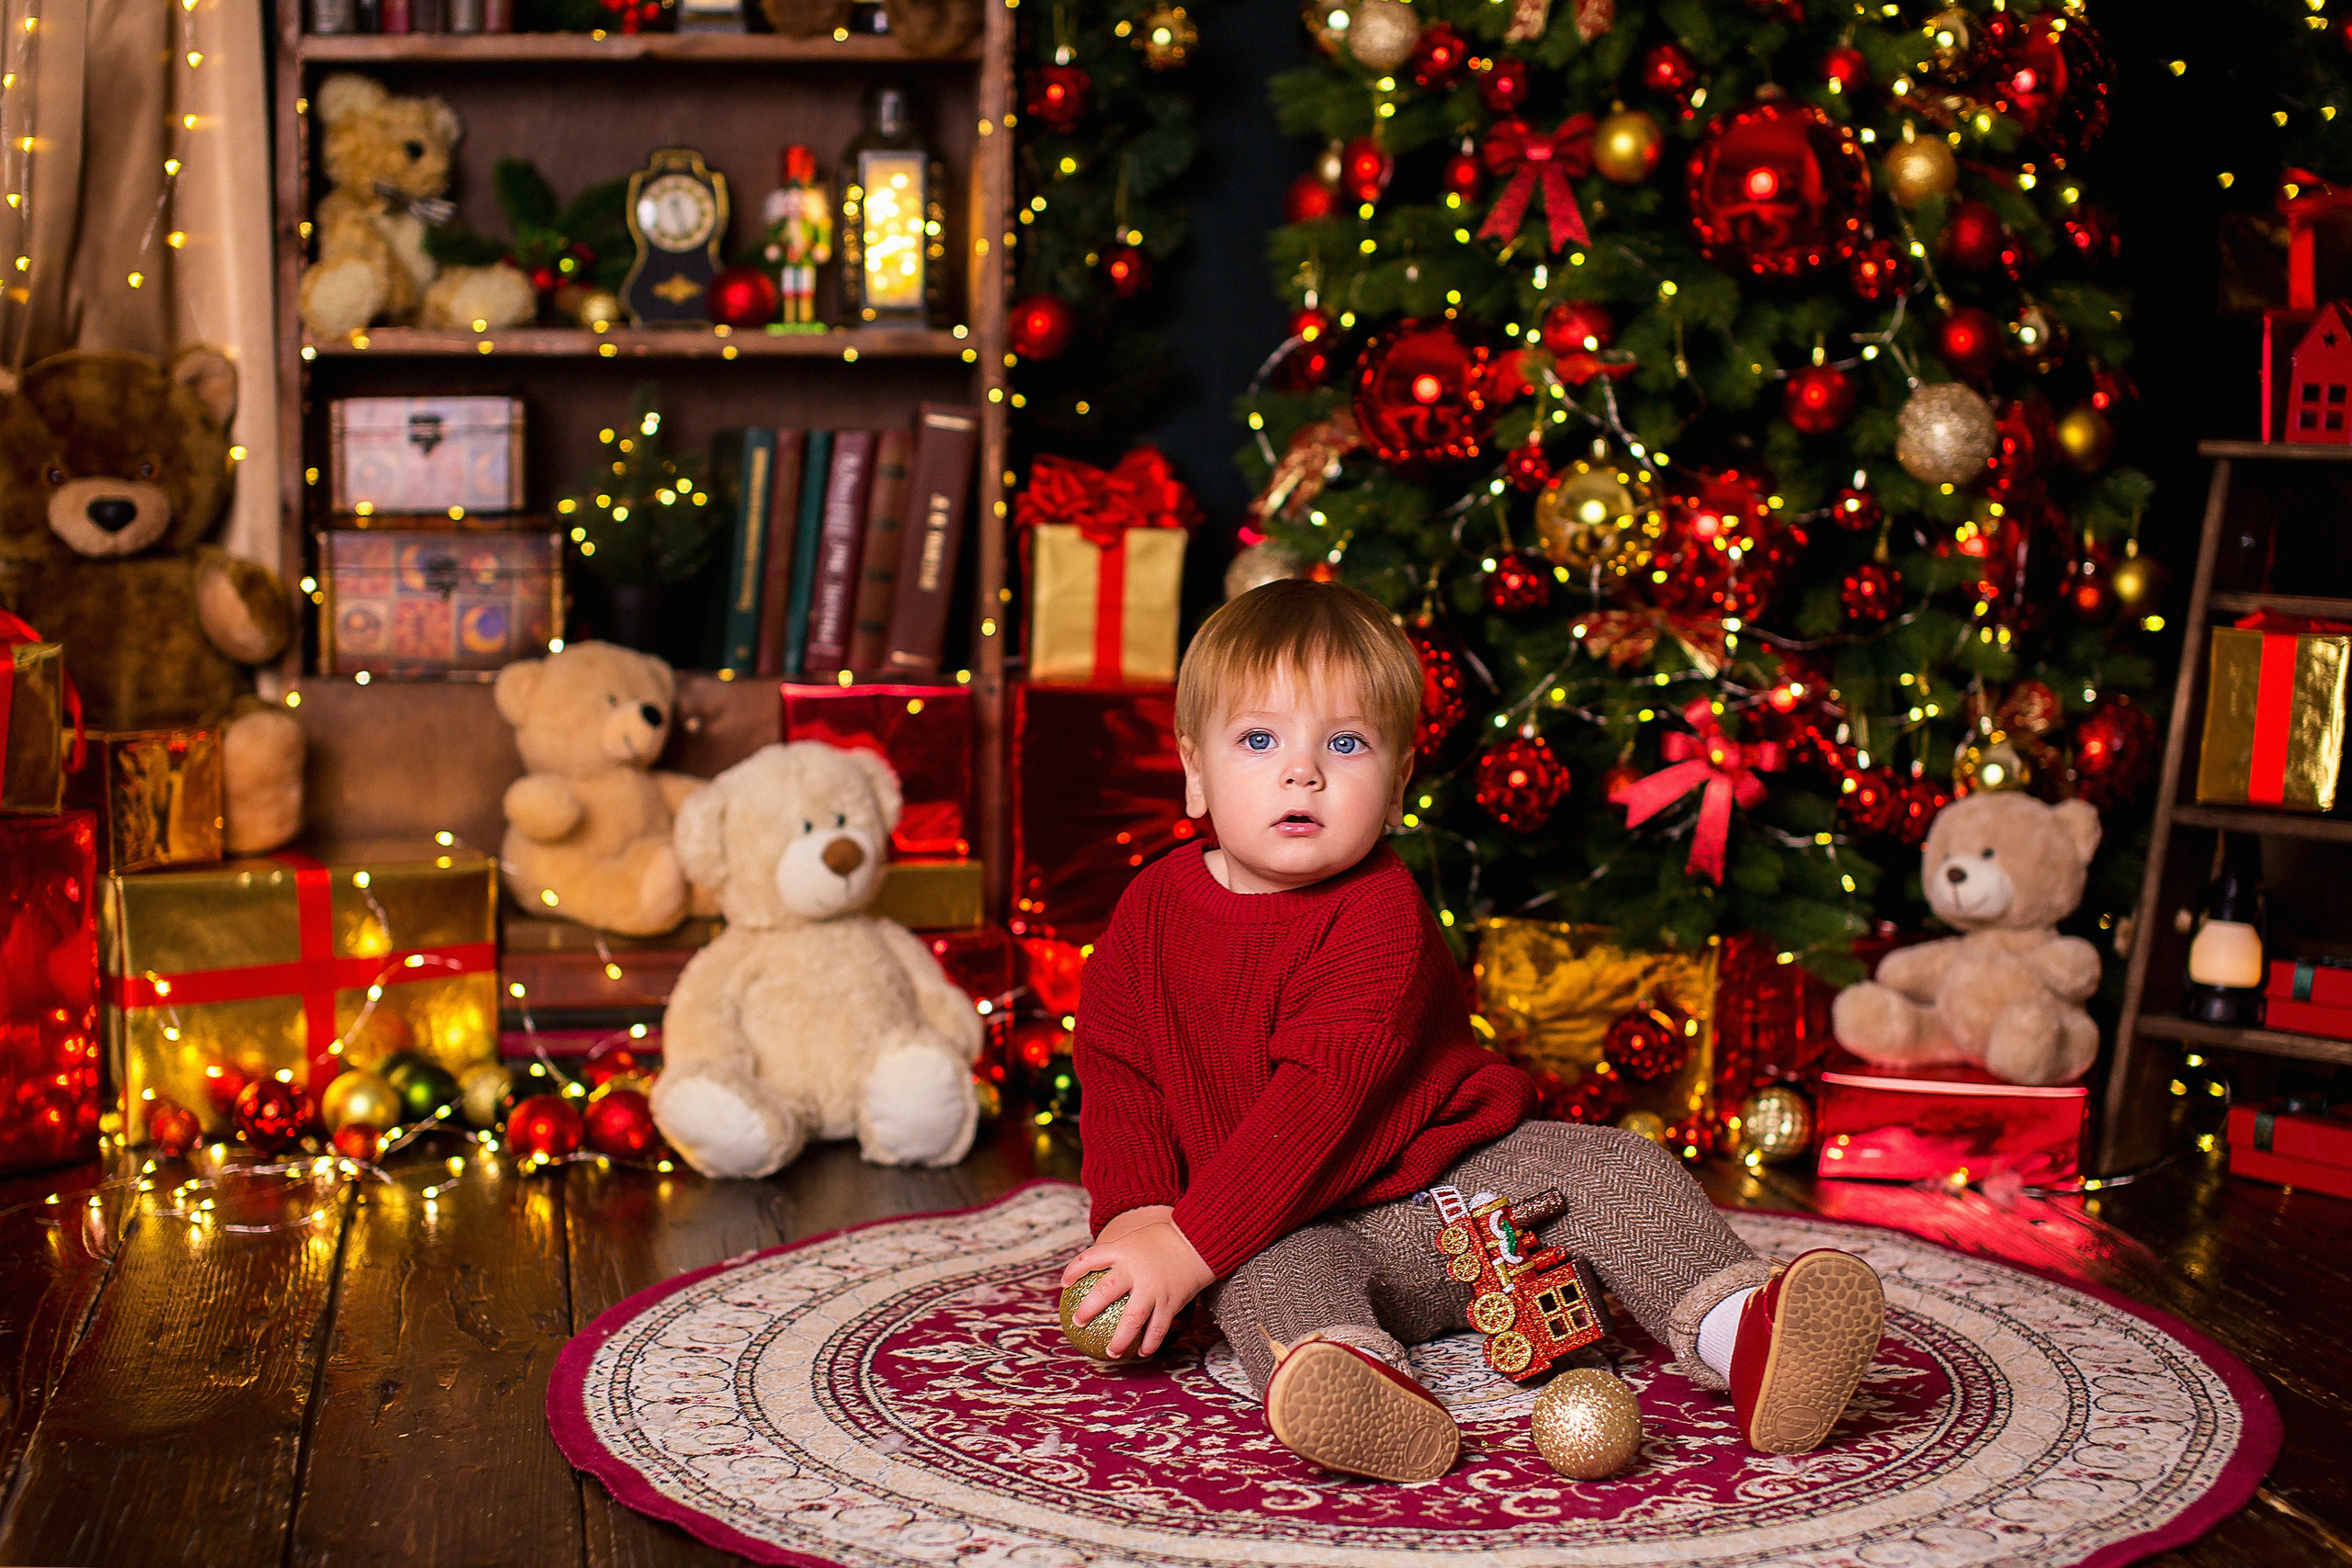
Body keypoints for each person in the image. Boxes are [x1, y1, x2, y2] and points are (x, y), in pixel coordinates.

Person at [1060, 578, 1885, 1483]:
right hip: (1290, 1225)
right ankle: (1362, 1384)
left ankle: (1746, 1336)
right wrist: (1140, 1219)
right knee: (1268, 1284)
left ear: (1398, 780)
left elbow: (1324, 1100)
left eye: (1345, 744)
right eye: (1259, 740)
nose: (1302, 773)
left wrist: (1189, 1241)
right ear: (1192, 769)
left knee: (1615, 1168)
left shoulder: (1380, 910)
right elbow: (1117, 1063)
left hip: (1460, 1182)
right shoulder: (1151, 910)